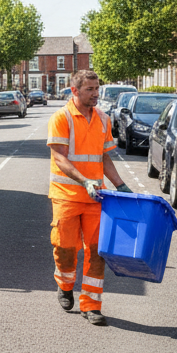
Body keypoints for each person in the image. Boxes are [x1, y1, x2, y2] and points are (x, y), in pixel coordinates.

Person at [46, 69, 130, 325]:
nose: (96, 94)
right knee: (65, 247)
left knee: (96, 251)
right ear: (75, 91)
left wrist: (120, 185)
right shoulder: (61, 117)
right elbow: (59, 157)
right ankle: (65, 284)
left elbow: (104, 157)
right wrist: (84, 181)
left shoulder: (103, 119)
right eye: (90, 90)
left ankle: (91, 305)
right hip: (66, 196)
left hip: (96, 198)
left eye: (97, 89)